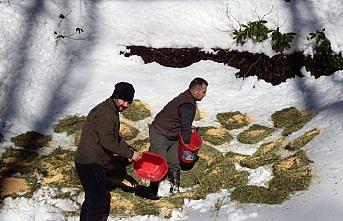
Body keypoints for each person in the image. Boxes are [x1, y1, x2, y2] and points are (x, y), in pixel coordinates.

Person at [75, 82, 142, 221]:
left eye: (129, 102)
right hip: (90, 162)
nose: (126, 105)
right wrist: (129, 154)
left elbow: (114, 138)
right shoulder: (107, 113)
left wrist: (128, 150)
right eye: (124, 100)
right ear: (116, 96)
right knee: (97, 202)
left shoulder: (109, 109)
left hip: (89, 160)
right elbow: (108, 142)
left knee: (92, 199)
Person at [140, 77, 208, 199]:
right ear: (195, 92)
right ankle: (154, 191)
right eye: (203, 92)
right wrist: (187, 145)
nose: (205, 95)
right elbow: (185, 127)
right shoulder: (187, 104)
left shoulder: (187, 98)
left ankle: (174, 189)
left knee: (174, 161)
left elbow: (182, 121)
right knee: (160, 161)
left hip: (173, 134)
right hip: (160, 132)